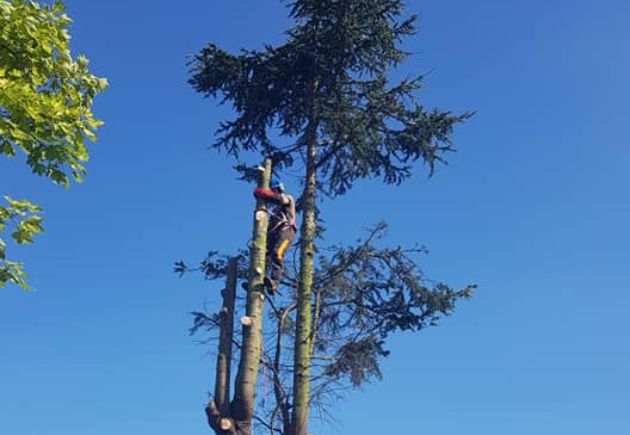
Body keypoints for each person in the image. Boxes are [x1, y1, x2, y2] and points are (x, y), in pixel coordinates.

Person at [253, 177, 296, 295]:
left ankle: (274, 283)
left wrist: (263, 193)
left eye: (274, 191)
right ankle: (255, 282)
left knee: (278, 253)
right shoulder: (273, 211)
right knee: (261, 255)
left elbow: (282, 200)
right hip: (273, 234)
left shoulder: (288, 199)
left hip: (287, 232)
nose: (273, 194)